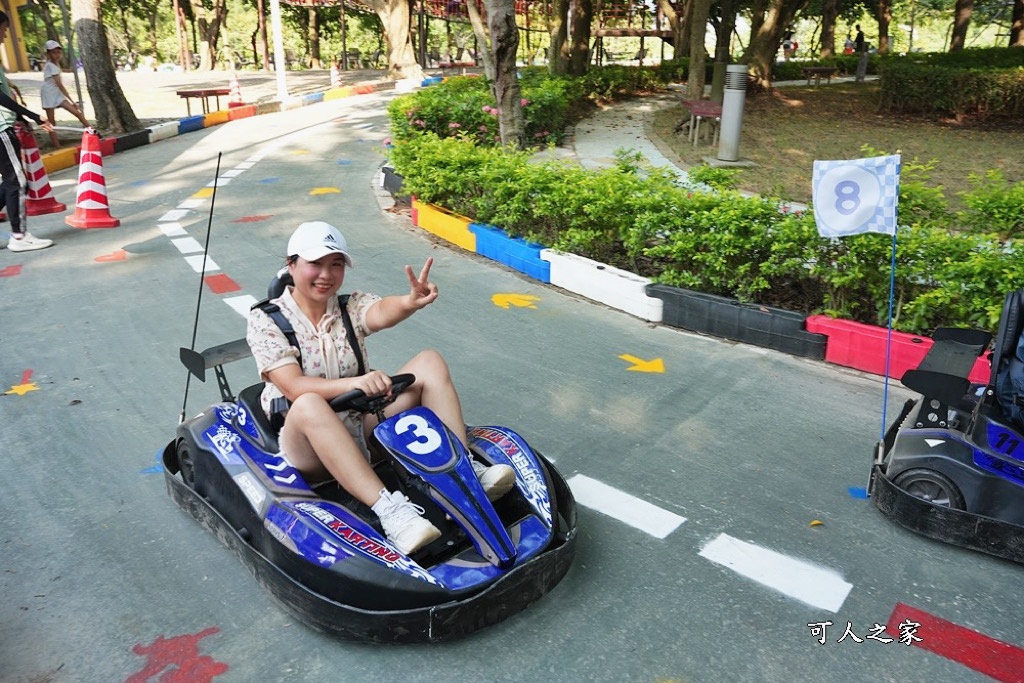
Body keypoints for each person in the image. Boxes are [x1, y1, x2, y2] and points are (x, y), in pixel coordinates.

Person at [247, 221, 516, 555]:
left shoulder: (348, 306)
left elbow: (380, 312)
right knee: (309, 402)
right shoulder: (267, 319)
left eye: (336, 265)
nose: (326, 275)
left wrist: (410, 301)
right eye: (315, 264)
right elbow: (292, 386)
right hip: (309, 447)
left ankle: (464, 476)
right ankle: (392, 513)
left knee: (429, 361)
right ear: (292, 264)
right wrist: (357, 382)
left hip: (362, 423)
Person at [0, 12, 55, 252]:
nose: (5, 34)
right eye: (3, 29)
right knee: (17, 182)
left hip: (5, 125)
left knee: (10, 181)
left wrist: (21, 118)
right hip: (1, 129)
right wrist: (32, 115)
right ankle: (19, 237)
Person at [40, 40, 92, 149]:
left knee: (77, 113)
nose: (57, 55)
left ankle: (93, 131)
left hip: (57, 94)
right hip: (49, 93)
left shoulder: (55, 64)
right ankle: (57, 145)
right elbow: (60, 85)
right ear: (48, 54)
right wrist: (72, 101)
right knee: (51, 122)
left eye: (59, 52)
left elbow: (57, 74)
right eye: (54, 53)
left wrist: (68, 70)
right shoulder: (50, 65)